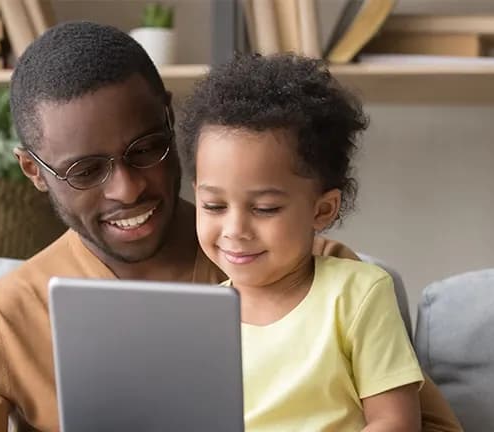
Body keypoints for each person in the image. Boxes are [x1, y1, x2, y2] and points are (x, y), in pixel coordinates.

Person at [0, 21, 462, 432]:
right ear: (33, 171)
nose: (127, 189)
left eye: (146, 149)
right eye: (86, 170)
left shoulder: (317, 276)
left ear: (171, 120)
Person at [180, 53, 422, 431]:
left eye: (264, 208)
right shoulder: (200, 320)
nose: (234, 229)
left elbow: (396, 422)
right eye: (214, 205)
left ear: (322, 210)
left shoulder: (357, 294)